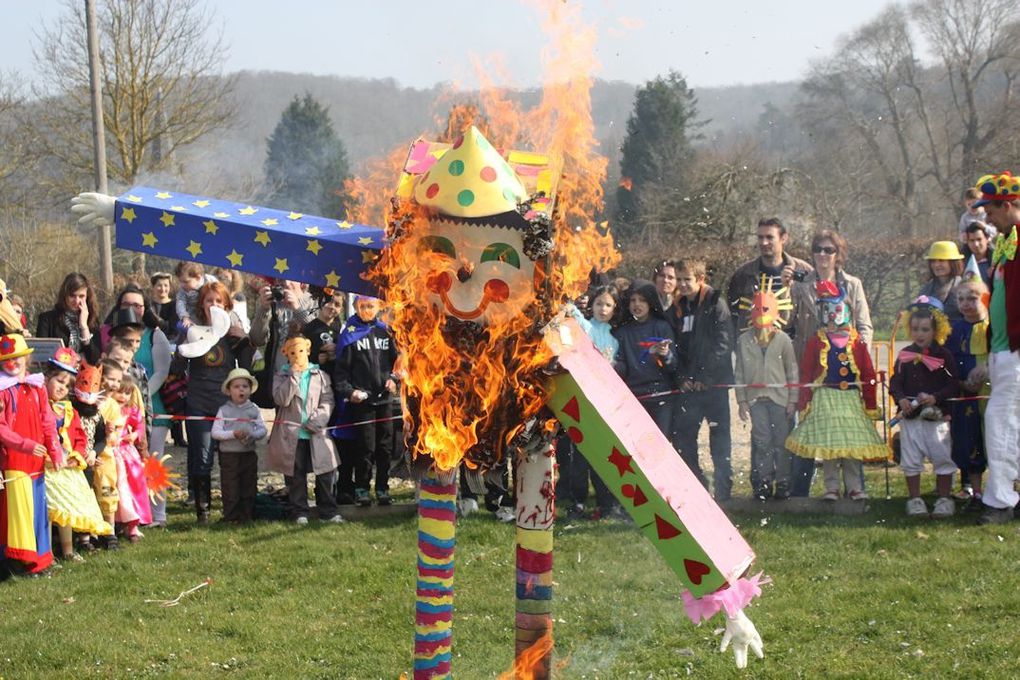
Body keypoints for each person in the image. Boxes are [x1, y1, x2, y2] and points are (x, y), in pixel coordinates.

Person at [786, 281, 885, 500]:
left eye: (837, 310)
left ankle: (854, 487)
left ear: (847, 312)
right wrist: (805, 402)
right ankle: (831, 487)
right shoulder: (815, 342)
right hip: (825, 399)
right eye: (827, 311)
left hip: (850, 400)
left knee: (850, 445)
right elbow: (806, 373)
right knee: (829, 445)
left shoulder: (856, 342)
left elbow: (867, 373)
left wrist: (870, 404)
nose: (832, 316)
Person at [969, 171, 1020, 524]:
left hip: (1016, 352)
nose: (986, 217)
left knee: (1000, 423)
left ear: (1008, 206)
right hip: (1002, 351)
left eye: (991, 210)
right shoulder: (1004, 245)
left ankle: (1001, 502)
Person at [182, 282, 253, 524]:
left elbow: (247, 369)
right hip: (198, 403)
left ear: (226, 305)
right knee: (202, 457)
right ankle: (203, 512)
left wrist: (244, 339)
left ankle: (232, 510)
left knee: (230, 459)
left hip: (226, 406)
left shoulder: (232, 336)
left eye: (218, 301)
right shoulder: (193, 331)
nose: (214, 305)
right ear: (202, 305)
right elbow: (177, 366)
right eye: (209, 300)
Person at [667, 259, 734, 502]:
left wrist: (705, 376)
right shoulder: (675, 309)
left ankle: (724, 493)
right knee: (684, 439)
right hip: (688, 388)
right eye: (679, 279)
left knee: (720, 441)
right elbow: (673, 347)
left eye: (688, 280)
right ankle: (698, 487)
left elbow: (724, 343)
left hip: (713, 385)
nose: (683, 285)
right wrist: (682, 378)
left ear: (700, 280)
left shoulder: (716, 304)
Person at [0, 333, 65, 574]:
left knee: (38, 511)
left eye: (17, 357)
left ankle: (40, 560)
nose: (13, 363)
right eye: (8, 358)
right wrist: (24, 445)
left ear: (26, 359)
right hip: (14, 461)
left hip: (36, 462)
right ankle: (20, 560)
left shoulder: (36, 388)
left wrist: (55, 451)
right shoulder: (2, 391)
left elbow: (47, 421)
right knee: (19, 513)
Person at [889, 301, 959, 518]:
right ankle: (915, 499)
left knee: (942, 456)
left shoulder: (944, 355)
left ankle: (944, 499)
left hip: (936, 419)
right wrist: (900, 399)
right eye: (916, 329)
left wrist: (935, 397)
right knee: (911, 459)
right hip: (911, 419)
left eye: (925, 330)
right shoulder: (904, 355)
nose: (920, 334)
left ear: (937, 330)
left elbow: (953, 384)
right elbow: (895, 383)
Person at [43, 348, 113, 561]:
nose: (62, 388)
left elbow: (80, 437)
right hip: (45, 465)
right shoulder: (39, 406)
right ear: (47, 378)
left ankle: (68, 551)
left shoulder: (68, 411)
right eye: (59, 382)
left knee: (66, 509)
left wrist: (78, 454)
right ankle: (46, 552)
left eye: (66, 385)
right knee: (46, 511)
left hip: (66, 466)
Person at [734, 275, 798, 500]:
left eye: (766, 308)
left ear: (776, 311)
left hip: (779, 399)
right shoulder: (744, 341)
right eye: (757, 308)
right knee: (762, 440)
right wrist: (741, 400)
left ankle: (783, 481)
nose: (761, 313)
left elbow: (792, 371)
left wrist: (792, 400)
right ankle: (762, 481)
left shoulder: (783, 340)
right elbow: (739, 372)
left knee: (781, 440)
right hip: (755, 399)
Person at [563, 285, 623, 519]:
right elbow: (571, 312)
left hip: (605, 400)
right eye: (599, 303)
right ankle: (577, 500)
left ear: (614, 309)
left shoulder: (615, 337)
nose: (602, 308)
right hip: (583, 398)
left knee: (604, 453)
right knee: (579, 454)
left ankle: (605, 501)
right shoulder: (585, 326)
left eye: (608, 304)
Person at [267, 336, 342, 524]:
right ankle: (299, 511)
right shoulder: (281, 376)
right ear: (286, 354)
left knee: (325, 471)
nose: (297, 355)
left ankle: (328, 511)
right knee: (295, 475)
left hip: (316, 432)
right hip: (291, 435)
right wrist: (293, 376)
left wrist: (318, 420)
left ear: (308, 351)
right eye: (292, 352)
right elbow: (281, 400)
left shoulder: (320, 375)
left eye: (300, 351)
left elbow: (327, 400)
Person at [333, 296, 399, 506]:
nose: (367, 310)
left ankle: (383, 488)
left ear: (378, 308)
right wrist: (350, 392)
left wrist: (394, 379)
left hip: (385, 399)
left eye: (371, 306)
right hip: (362, 402)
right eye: (362, 307)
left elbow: (398, 363)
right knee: (365, 446)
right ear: (355, 307)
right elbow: (341, 374)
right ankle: (362, 488)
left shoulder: (386, 332)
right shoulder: (349, 335)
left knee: (385, 446)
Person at [944, 280, 990, 510]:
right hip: (966, 394)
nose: (966, 304)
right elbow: (948, 363)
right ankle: (977, 492)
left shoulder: (994, 327)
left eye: (972, 298)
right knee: (970, 438)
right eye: (960, 299)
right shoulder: (955, 331)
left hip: (994, 391)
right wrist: (961, 382)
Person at [791, 230, 873, 356]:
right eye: (817, 249)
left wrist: (859, 358)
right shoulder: (799, 287)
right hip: (809, 361)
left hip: (843, 360)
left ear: (838, 254)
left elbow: (864, 327)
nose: (822, 253)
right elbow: (787, 323)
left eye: (828, 250)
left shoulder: (852, 285)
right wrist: (786, 290)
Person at [727, 218, 813, 333]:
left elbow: (813, 311)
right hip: (754, 346)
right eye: (760, 237)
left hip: (793, 346)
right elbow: (732, 316)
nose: (764, 243)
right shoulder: (743, 275)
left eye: (769, 237)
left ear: (783, 238)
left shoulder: (804, 271)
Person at [613, 280, 676, 436]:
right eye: (633, 300)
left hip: (660, 397)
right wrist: (611, 364)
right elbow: (622, 367)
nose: (637, 305)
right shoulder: (621, 333)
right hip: (633, 398)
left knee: (660, 445)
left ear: (650, 302)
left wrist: (665, 354)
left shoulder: (662, 327)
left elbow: (674, 365)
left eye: (642, 300)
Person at [211, 368, 267, 523]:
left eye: (244, 386)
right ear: (229, 391)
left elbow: (262, 429)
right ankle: (231, 516)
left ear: (250, 390)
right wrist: (232, 434)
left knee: (248, 485)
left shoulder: (254, 409)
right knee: (230, 487)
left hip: (248, 454)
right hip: (229, 456)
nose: (241, 389)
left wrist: (252, 435)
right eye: (236, 387)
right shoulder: (224, 410)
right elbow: (215, 432)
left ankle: (247, 515)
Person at [109, 372, 150, 541]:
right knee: (114, 489)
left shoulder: (130, 411)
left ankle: (133, 524)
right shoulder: (107, 409)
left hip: (127, 454)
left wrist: (135, 435)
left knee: (134, 486)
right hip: (111, 453)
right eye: (120, 392)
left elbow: (140, 425)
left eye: (127, 393)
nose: (123, 396)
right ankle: (117, 523)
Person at [250, 279, 317, 373]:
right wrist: (264, 309)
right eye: (281, 280)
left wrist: (297, 308)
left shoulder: (313, 301)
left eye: (292, 279)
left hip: (308, 373)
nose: (286, 284)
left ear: (302, 281)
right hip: (278, 374)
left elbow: (317, 333)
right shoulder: (272, 304)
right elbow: (257, 339)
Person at [35, 272, 101, 363]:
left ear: (87, 297)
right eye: (72, 296)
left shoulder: (93, 321)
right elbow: (41, 355)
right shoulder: (47, 319)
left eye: (81, 296)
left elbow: (94, 359)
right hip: (55, 373)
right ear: (65, 295)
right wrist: (72, 357)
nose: (77, 301)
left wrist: (84, 326)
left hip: (83, 374)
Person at [917, 240, 965, 322]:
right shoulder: (926, 289)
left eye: (941, 260)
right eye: (933, 261)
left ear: (953, 263)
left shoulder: (963, 287)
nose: (936, 265)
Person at [302, 290, 345, 375]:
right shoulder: (308, 329)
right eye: (329, 302)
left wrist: (337, 349)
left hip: (337, 379)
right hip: (316, 379)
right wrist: (316, 358)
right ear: (321, 302)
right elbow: (299, 356)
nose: (332, 307)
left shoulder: (342, 329)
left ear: (341, 310)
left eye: (337, 305)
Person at [175, 262, 219, 333]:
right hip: (194, 313)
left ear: (198, 277)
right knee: (184, 326)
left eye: (186, 282)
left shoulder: (210, 280)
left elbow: (221, 292)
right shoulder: (183, 290)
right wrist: (185, 317)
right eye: (180, 281)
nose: (182, 285)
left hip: (211, 311)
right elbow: (180, 303)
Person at [213, 268, 251, 333]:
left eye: (226, 277)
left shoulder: (239, 297)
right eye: (220, 276)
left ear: (233, 279)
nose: (223, 279)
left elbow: (241, 319)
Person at [963, 221, 993, 287]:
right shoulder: (961, 263)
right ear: (967, 242)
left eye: (979, 239)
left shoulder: (996, 260)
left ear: (987, 239)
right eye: (972, 240)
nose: (976, 244)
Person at [149, 271, 178, 336]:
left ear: (170, 287)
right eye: (159, 285)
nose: (163, 289)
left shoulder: (176, 305)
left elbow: (172, 329)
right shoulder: (149, 305)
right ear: (153, 287)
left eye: (166, 285)